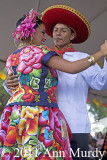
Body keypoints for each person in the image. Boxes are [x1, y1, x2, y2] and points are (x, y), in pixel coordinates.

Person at [3, 5, 107, 160]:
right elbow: (23, 84)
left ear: (72, 36)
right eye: (55, 30)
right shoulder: (42, 54)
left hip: (75, 124)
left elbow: (101, 83)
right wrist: (8, 84)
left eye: (63, 30)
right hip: (45, 124)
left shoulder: (81, 58)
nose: (57, 34)